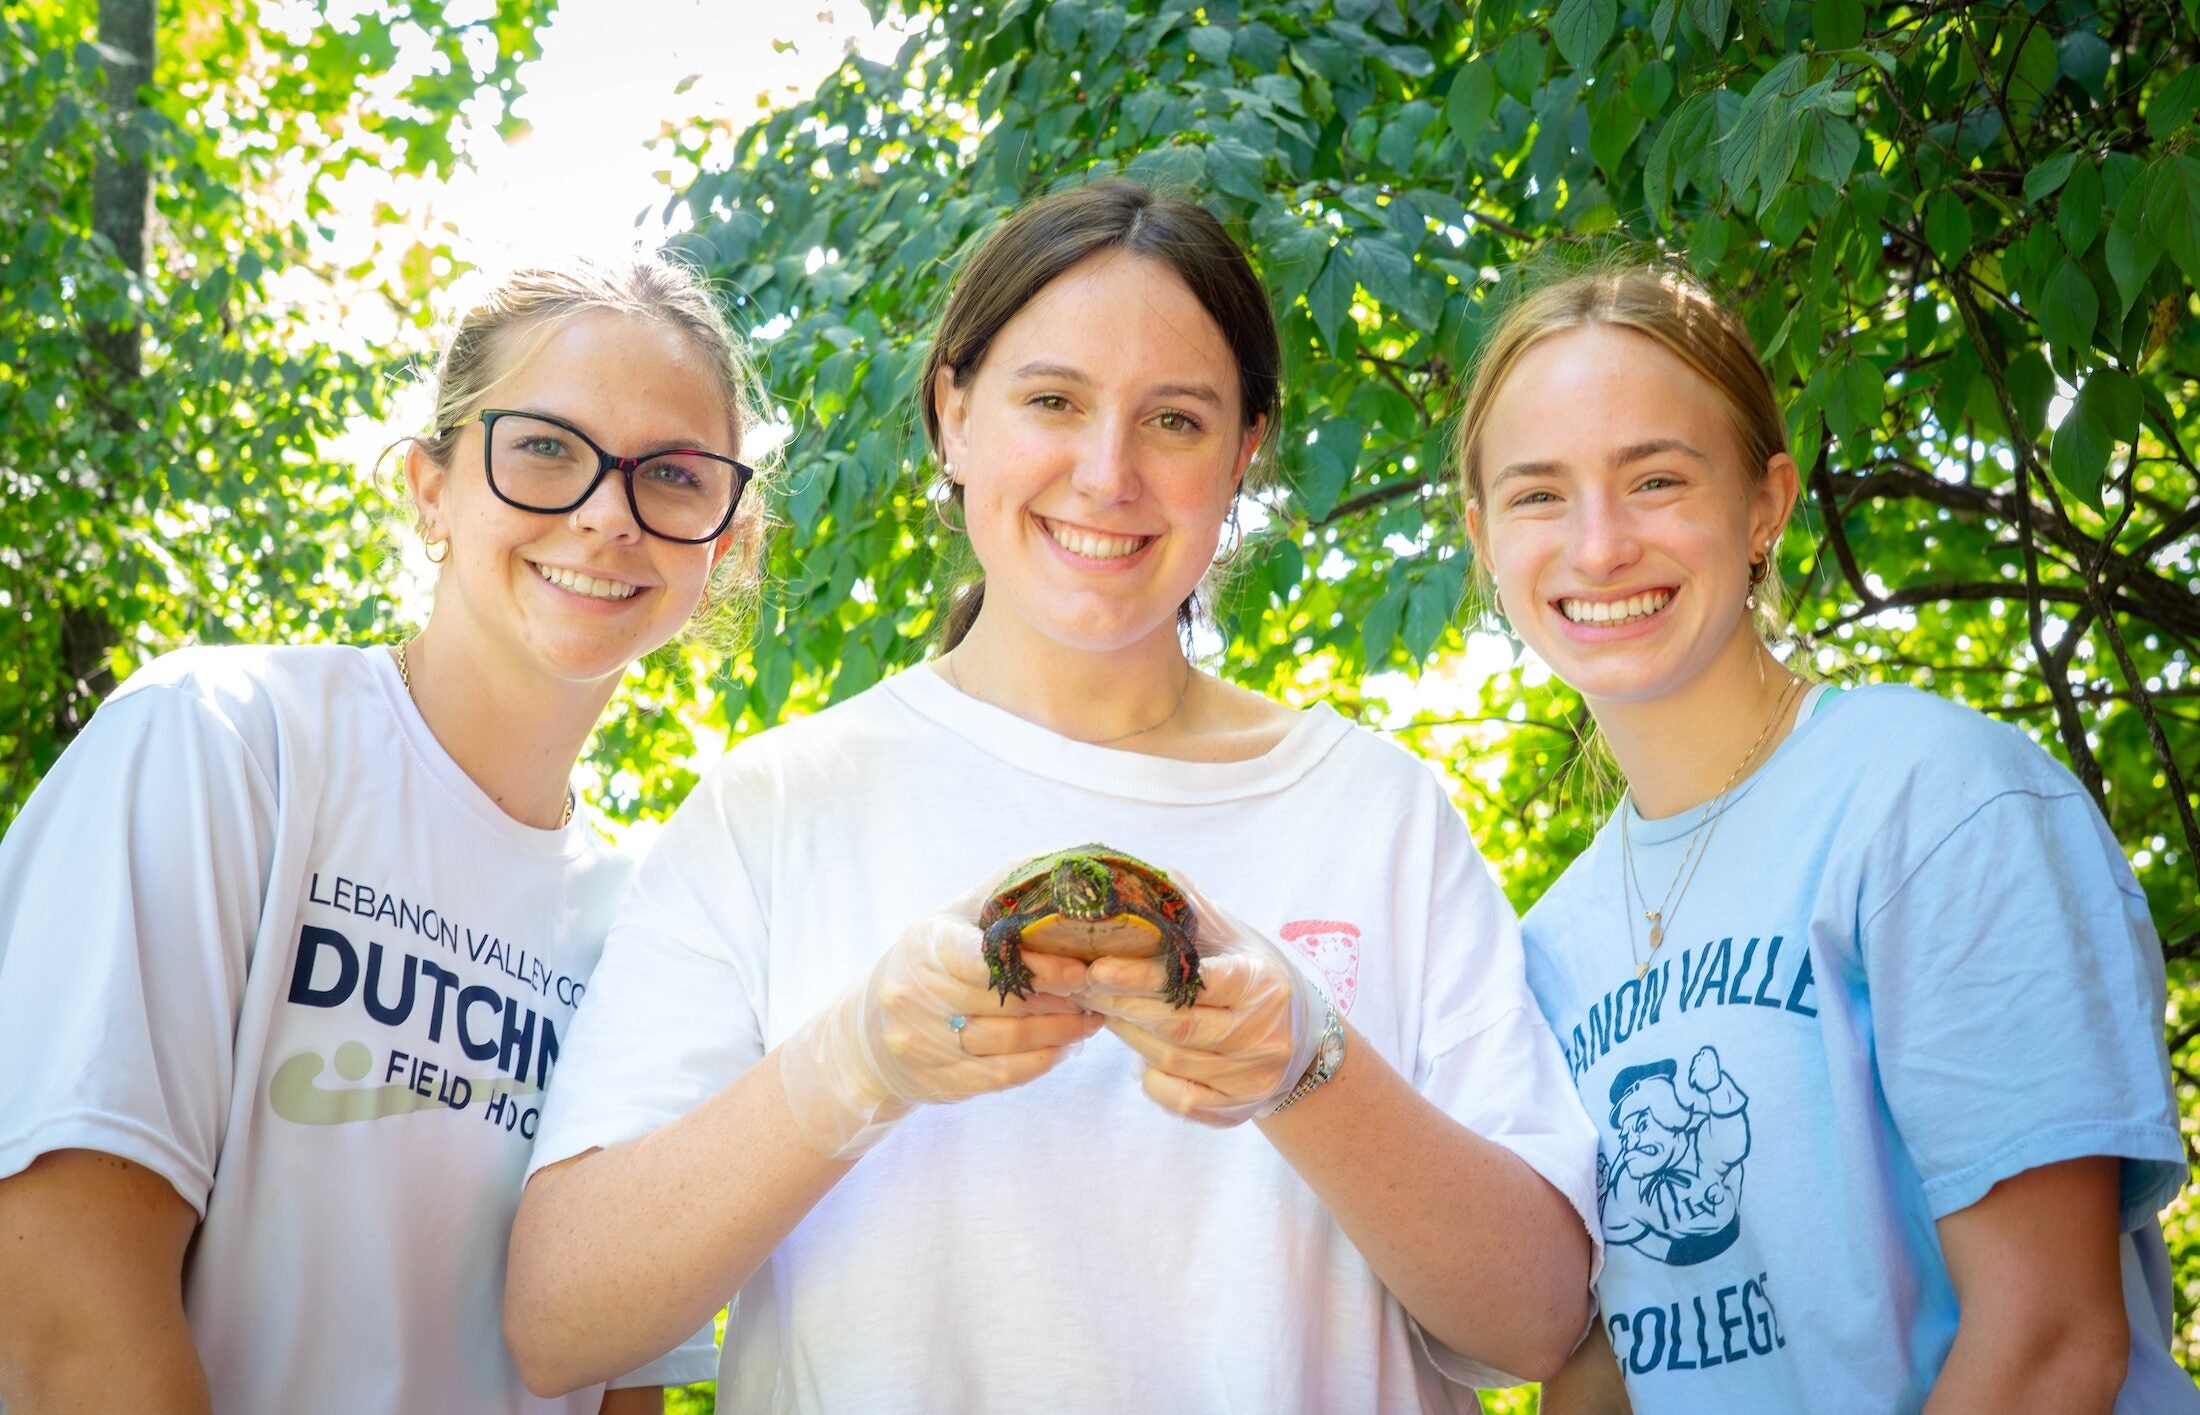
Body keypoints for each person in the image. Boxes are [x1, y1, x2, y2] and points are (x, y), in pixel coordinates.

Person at [504, 178, 1600, 1413]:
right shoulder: (777, 803)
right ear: (953, 413)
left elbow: (1540, 1320)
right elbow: (561, 1319)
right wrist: (853, 1058)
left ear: (1244, 453)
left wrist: (1309, 1065)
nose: (1106, 470)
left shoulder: (1380, 812)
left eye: (1175, 420)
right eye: (1052, 400)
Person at [0, 252, 767, 1413]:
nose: (609, 512)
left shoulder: (656, 923)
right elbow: (62, 1296)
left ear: (722, 539)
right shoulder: (222, 744)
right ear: (430, 486)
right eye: (546, 447)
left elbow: (621, 1383)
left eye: (671, 472)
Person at [1455, 263, 2195, 1414]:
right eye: (1538, 494)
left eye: (1654, 477)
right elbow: (1601, 1371)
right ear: (1484, 537)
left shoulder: (1939, 803)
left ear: (1765, 504)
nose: (1597, 545)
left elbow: (2052, 1343)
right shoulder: (1545, 945)